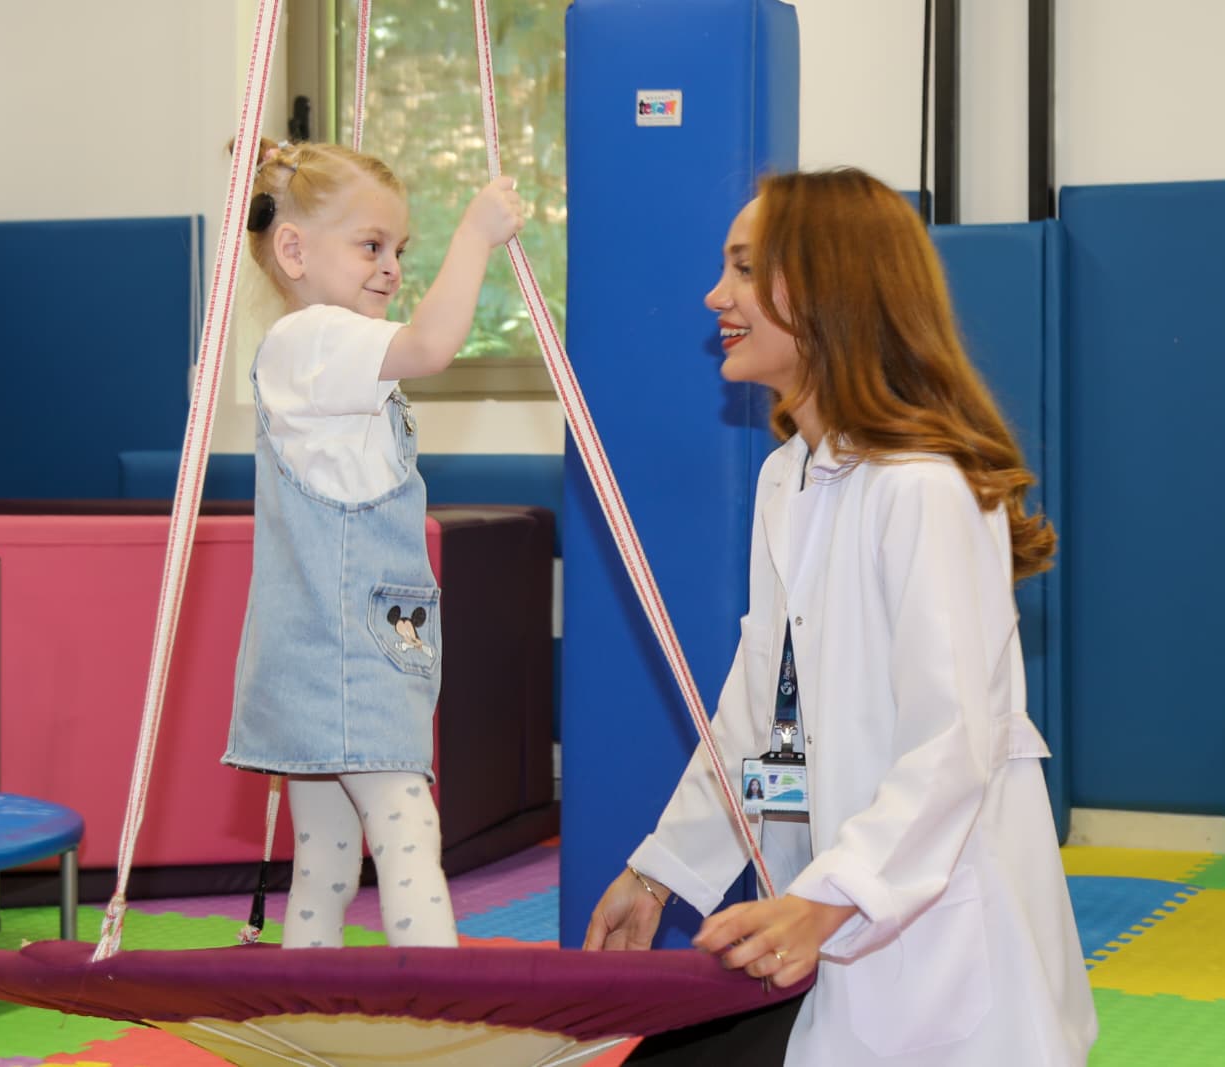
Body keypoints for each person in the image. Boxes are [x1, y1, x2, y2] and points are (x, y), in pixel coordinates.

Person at [583, 167, 1097, 1065]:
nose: (715, 296)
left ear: (828, 289)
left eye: (745, 269)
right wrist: (660, 870)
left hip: (925, 933)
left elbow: (952, 742)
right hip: (821, 919)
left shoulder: (922, 487)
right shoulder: (788, 478)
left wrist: (831, 899)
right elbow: (758, 711)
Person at [222, 138, 524, 949]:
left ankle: (305, 994)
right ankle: (436, 994)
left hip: (340, 647)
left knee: (327, 852)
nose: (391, 267)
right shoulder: (315, 338)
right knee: (406, 824)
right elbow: (431, 346)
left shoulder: (329, 353)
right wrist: (475, 235)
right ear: (295, 252)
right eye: (370, 245)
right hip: (344, 652)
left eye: (400, 249)